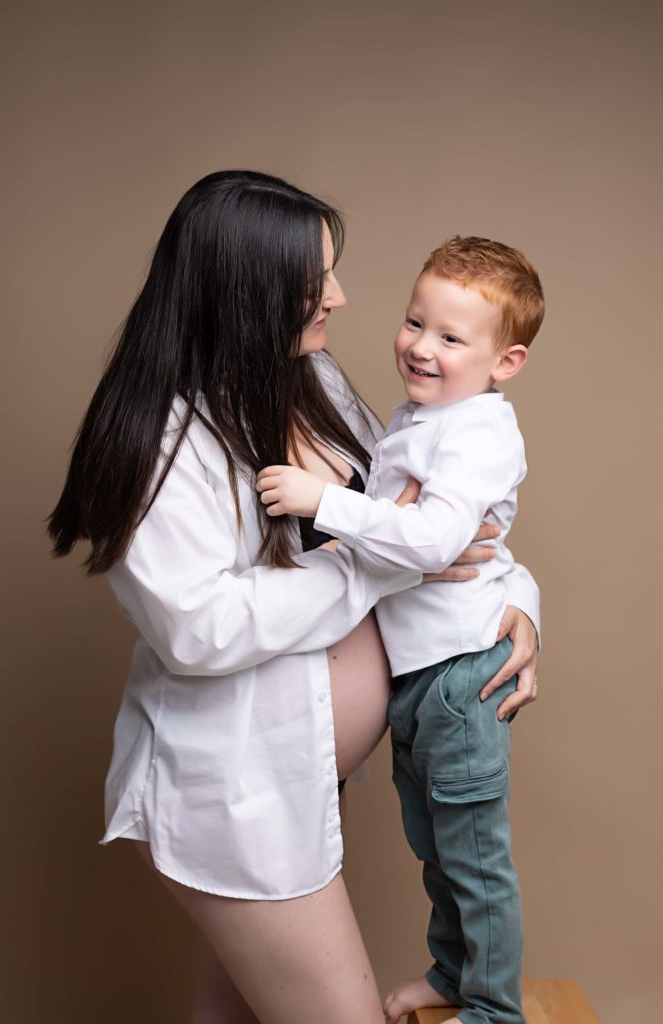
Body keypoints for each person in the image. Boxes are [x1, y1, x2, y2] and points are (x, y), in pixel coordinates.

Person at [47, 172, 540, 1024]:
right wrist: (382, 568)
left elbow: (434, 518)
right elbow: (199, 630)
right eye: (315, 280)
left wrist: (519, 603)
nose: (341, 297)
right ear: (245, 290)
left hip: (304, 777)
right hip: (234, 795)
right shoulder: (155, 441)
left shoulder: (312, 381)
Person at [256, 236, 544, 1024]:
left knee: (474, 861)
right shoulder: (423, 415)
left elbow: (435, 543)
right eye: (415, 322)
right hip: (420, 676)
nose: (421, 346)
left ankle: (492, 1010)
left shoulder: (478, 431)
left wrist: (324, 502)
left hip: (457, 678)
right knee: (439, 850)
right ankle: (454, 975)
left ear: (505, 362)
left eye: (451, 338)